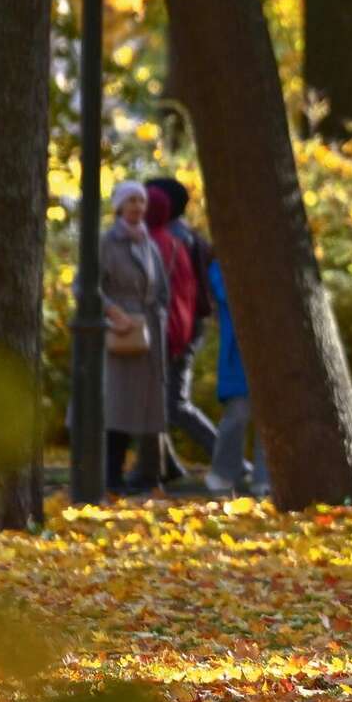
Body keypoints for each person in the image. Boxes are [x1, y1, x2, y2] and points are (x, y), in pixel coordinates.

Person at [98, 182, 169, 495]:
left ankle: (147, 475)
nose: (138, 207)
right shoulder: (106, 242)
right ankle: (111, 476)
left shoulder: (149, 242)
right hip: (121, 335)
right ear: (119, 206)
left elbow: (161, 289)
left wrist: (161, 320)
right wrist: (114, 313)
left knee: (146, 408)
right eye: (131, 201)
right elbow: (86, 286)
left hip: (148, 333)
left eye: (141, 200)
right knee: (118, 407)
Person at [146, 176, 220, 466]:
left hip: (180, 327)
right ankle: (164, 466)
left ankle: (230, 462)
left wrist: (175, 333)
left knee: (173, 404)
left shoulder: (174, 239)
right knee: (157, 402)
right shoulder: (186, 235)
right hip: (185, 325)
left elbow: (180, 293)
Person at [144, 189, 199, 479]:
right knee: (161, 402)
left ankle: (153, 468)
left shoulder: (160, 242)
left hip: (160, 330)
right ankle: (163, 465)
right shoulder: (179, 239)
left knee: (162, 402)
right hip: (177, 327)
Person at [203, 258, 268, 496]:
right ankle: (223, 472)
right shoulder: (224, 265)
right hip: (237, 352)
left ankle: (265, 477)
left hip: (269, 348)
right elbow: (229, 294)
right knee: (238, 412)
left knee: (268, 412)